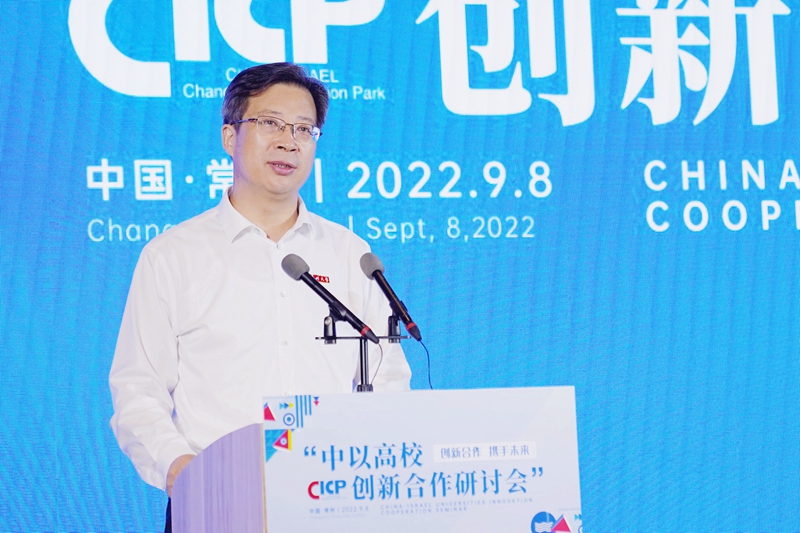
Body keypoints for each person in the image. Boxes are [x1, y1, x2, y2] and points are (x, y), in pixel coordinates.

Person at [108, 63, 412, 529]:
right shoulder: (172, 255)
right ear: (230, 136)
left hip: (329, 501)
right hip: (215, 497)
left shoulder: (350, 253)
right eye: (270, 123)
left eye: (304, 129)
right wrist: (179, 469)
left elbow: (386, 376)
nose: (289, 142)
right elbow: (138, 387)